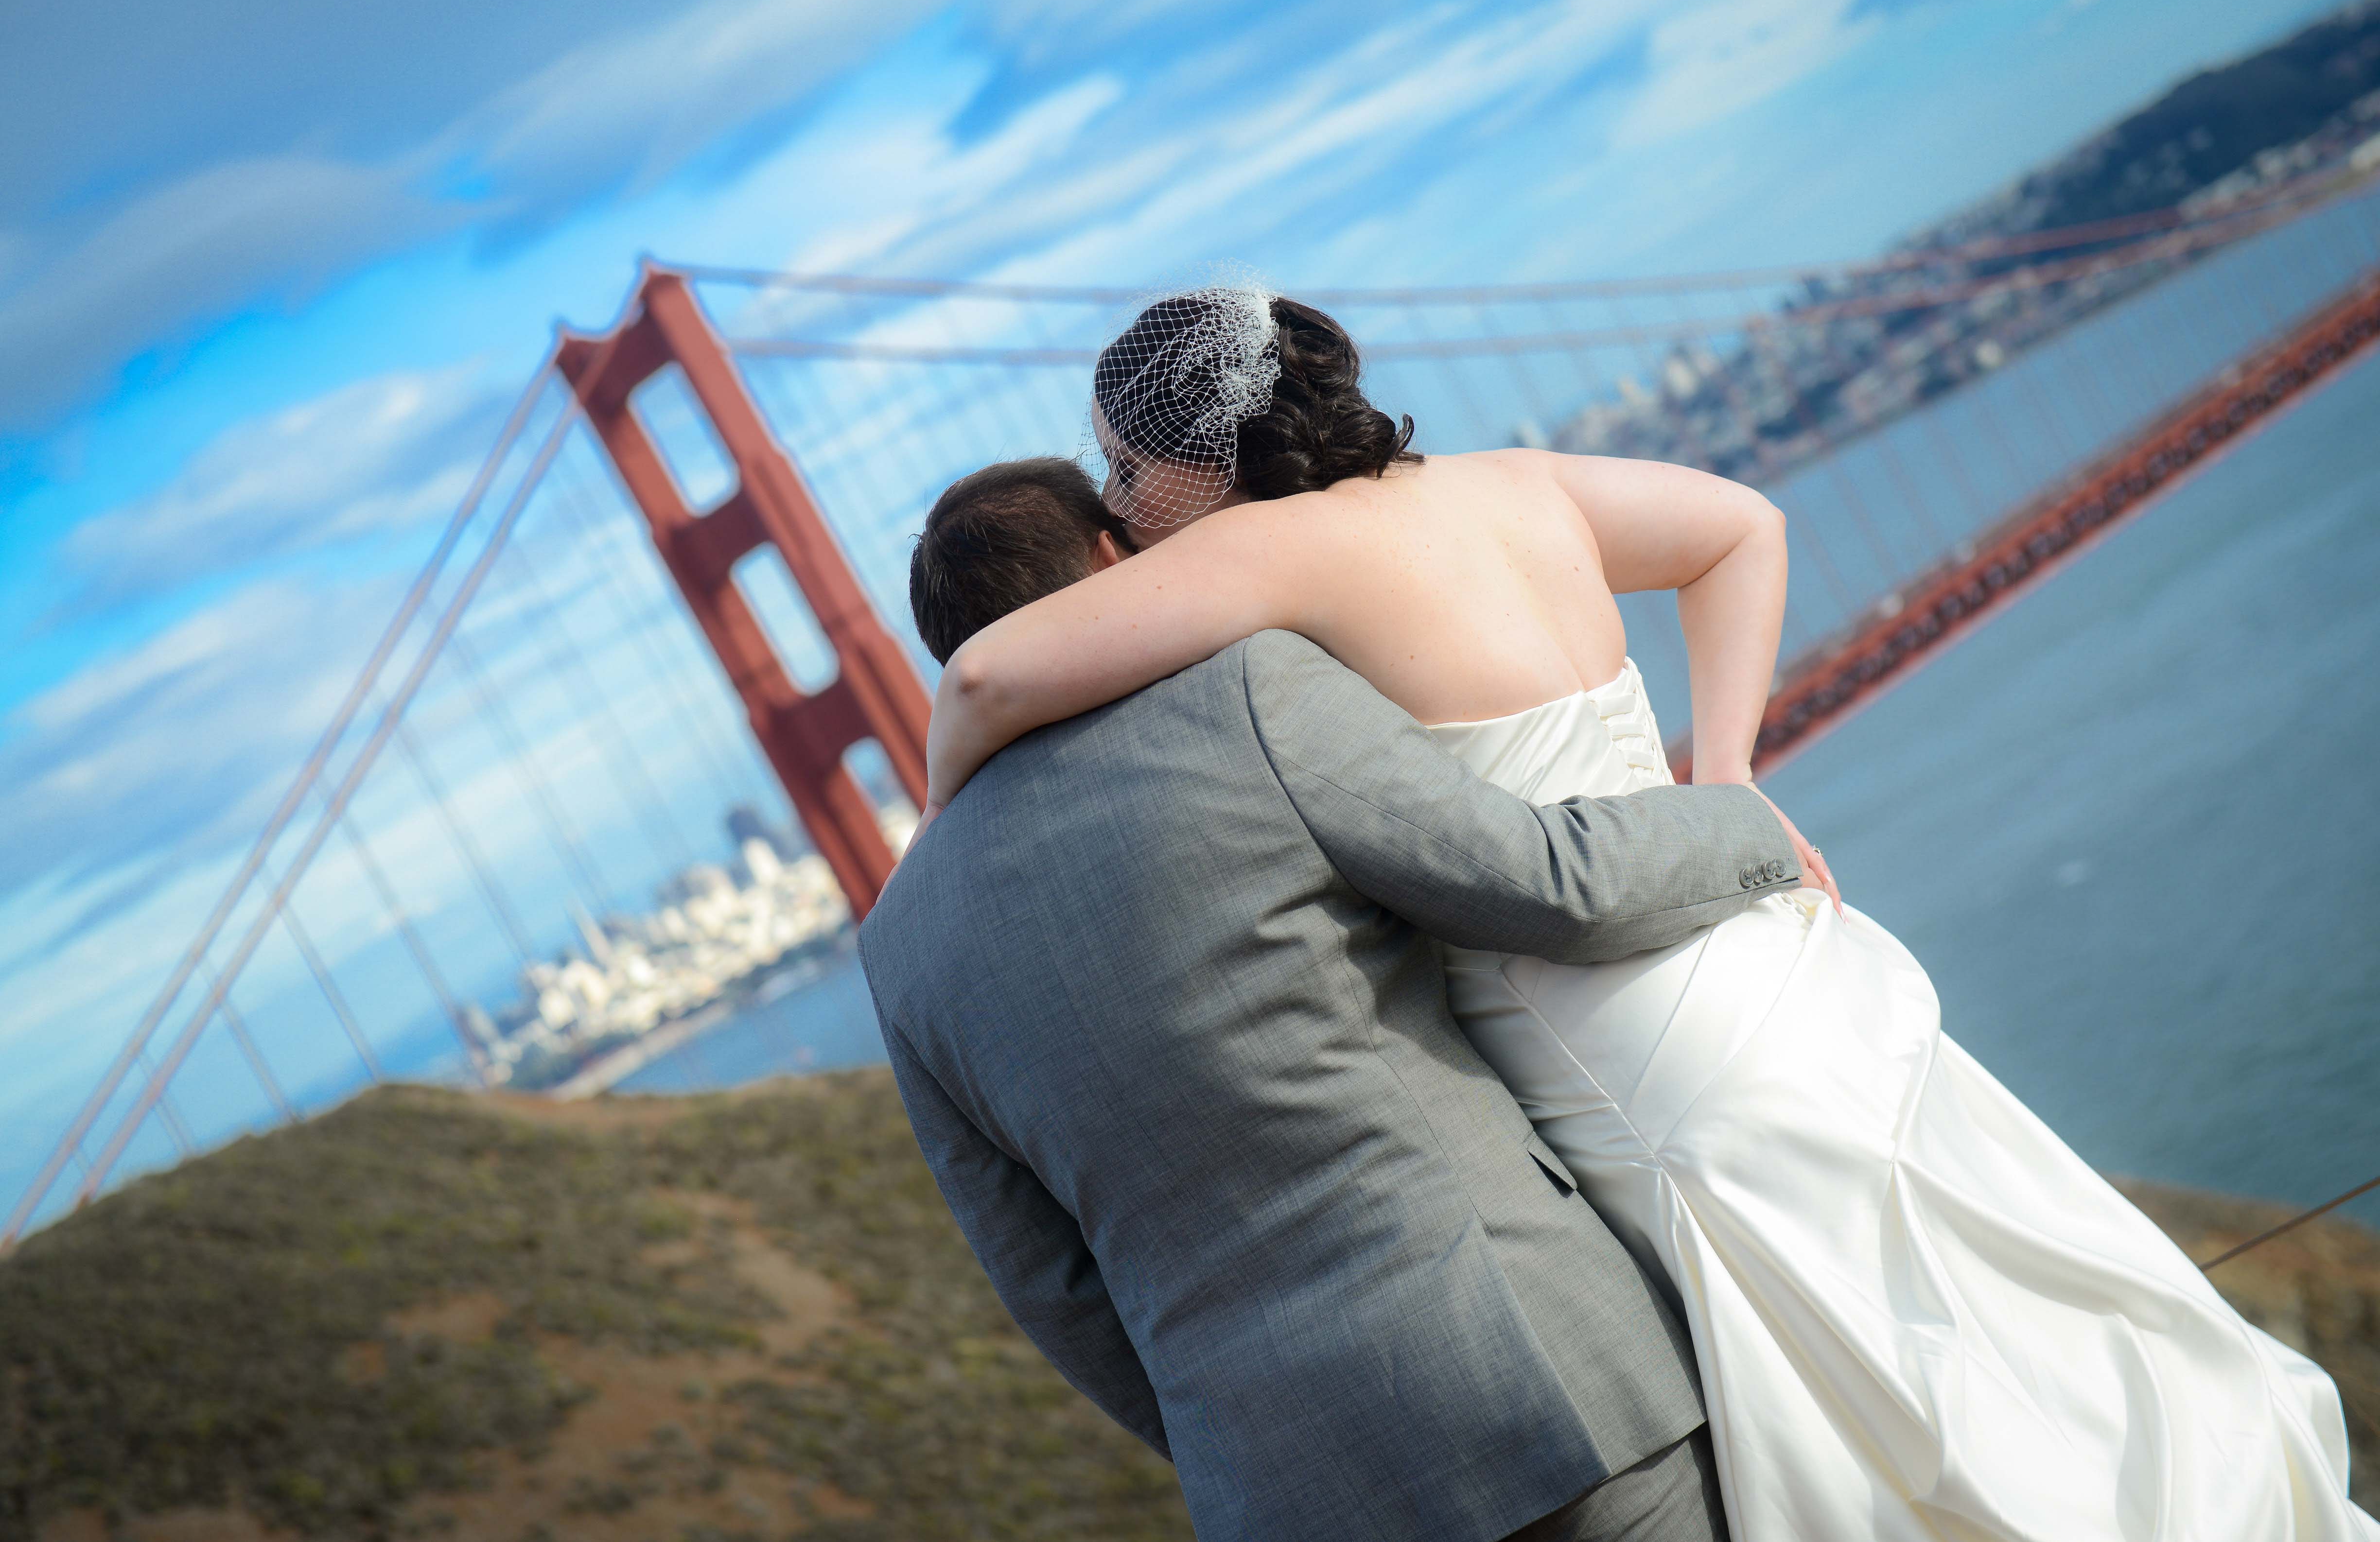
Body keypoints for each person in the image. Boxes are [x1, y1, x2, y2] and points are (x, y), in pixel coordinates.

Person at [918, 287, 2380, 1541]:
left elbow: (984, 677)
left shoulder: (1265, 558)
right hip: (1779, 962)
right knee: (2001, 1320)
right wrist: (1725, 774)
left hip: (1617, 1042)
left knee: (1891, 1418)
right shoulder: (1513, 481)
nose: (1117, 508)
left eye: (1124, 469)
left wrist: (940, 830)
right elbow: (1744, 527)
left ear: (1200, 456)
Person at [866, 454, 1807, 1541]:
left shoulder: (899, 947)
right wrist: (1745, 825)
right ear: (1113, 562)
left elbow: (1054, 1293)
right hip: (1536, 1373)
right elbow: (1547, 885)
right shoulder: (1247, 695)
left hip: (1284, 1492)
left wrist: (1251, 1435)